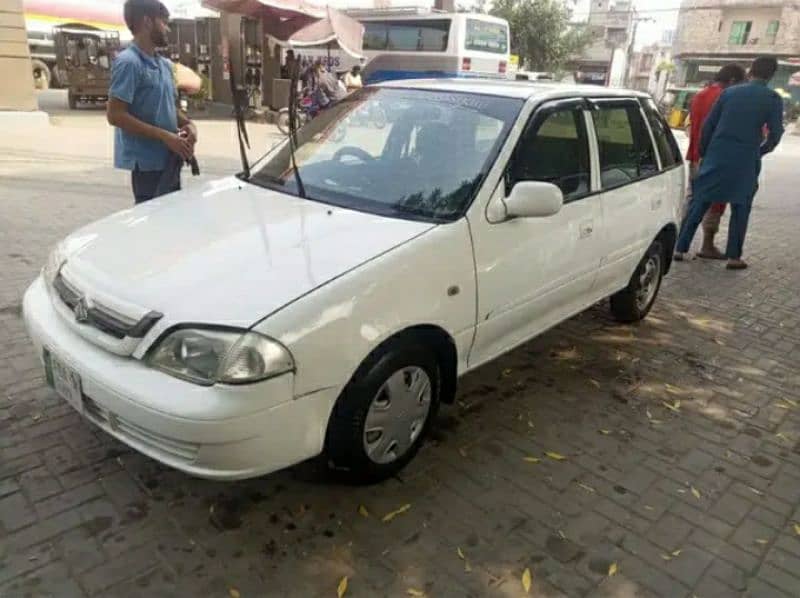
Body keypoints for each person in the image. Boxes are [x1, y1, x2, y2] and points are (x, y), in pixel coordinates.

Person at [675, 57, 784, 270]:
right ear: (771, 75)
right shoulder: (772, 98)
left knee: (700, 201)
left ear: (751, 70)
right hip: (745, 160)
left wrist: (707, 152)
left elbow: (708, 126)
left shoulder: (729, 93)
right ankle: (734, 257)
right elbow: (776, 133)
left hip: (716, 156)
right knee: (741, 206)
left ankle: (680, 247)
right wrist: (760, 151)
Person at [107, 0, 197, 204]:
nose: (167, 29)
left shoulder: (163, 64)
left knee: (171, 219)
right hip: (146, 166)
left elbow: (167, 107)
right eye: (164, 23)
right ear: (147, 22)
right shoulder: (129, 63)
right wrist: (165, 136)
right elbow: (115, 115)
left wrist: (188, 124)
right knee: (152, 223)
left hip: (169, 159)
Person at [684, 64, 746, 259]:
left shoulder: (699, 95)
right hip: (716, 158)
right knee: (716, 202)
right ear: (734, 81)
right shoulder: (727, 98)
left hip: (695, 156)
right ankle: (707, 245)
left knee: (693, 198)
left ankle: (680, 243)